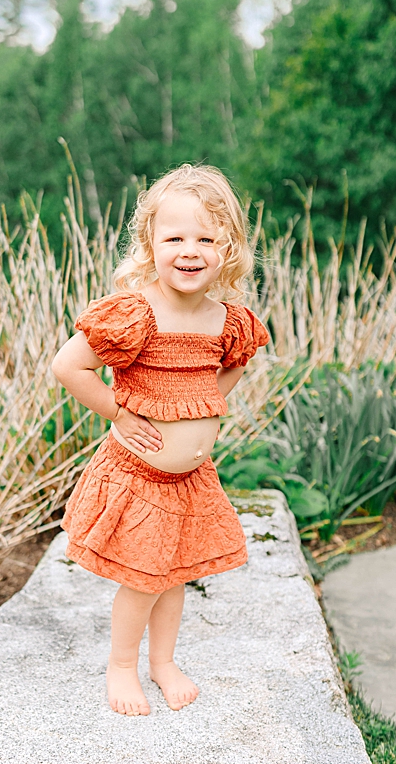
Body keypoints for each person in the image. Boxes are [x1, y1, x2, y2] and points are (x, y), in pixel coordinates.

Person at [52, 164, 269, 716]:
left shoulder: (226, 320)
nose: (189, 250)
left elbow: (234, 365)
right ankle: (122, 665)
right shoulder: (138, 314)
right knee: (143, 580)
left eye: (206, 238)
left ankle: (163, 661)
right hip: (141, 477)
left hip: (191, 480)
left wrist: (205, 407)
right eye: (175, 237)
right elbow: (69, 367)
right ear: (150, 244)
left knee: (176, 576)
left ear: (229, 248)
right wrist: (118, 413)